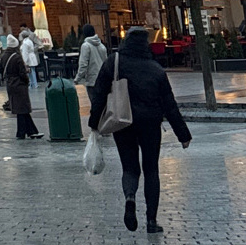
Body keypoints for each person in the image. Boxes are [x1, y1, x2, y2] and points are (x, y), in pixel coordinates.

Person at [88, 25, 191, 233]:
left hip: (122, 122)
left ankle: (130, 197)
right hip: (150, 124)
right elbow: (170, 105)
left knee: (129, 168)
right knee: (151, 169)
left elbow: (99, 94)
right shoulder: (155, 69)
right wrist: (183, 135)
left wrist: (94, 123)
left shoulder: (114, 63)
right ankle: (151, 221)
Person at [3, 38, 40, 139]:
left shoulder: (4, 56)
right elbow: (22, 73)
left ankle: (32, 131)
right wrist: (27, 80)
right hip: (19, 85)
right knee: (22, 109)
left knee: (21, 109)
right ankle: (21, 133)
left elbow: (0, 69)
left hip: (10, 84)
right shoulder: (17, 57)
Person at [74, 22, 108, 90]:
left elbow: (83, 65)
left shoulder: (85, 46)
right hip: (103, 79)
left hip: (92, 80)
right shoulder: (102, 46)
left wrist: (77, 79)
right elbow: (106, 62)